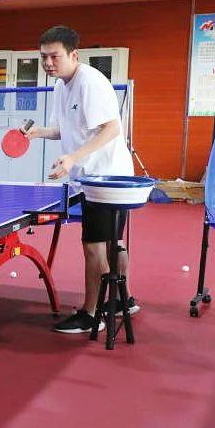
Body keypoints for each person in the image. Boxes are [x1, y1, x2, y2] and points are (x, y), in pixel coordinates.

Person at [24, 25, 138, 333]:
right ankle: (122, 301)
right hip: (92, 177)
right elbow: (63, 129)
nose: (48, 63)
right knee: (112, 241)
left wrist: (73, 158)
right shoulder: (60, 86)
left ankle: (92, 314)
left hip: (107, 178)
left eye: (55, 56)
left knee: (93, 245)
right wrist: (38, 133)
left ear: (73, 55)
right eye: (44, 57)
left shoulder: (90, 82)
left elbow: (112, 129)